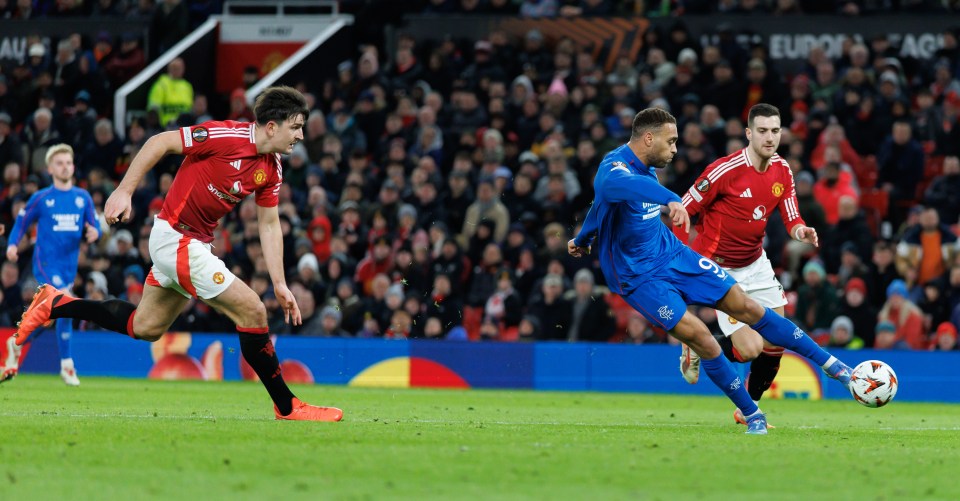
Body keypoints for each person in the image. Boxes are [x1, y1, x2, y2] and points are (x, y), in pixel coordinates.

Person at [13, 86, 342, 421]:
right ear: (272, 126)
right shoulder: (225, 135)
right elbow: (161, 142)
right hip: (175, 238)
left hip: (193, 243)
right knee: (253, 311)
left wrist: (280, 284)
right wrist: (124, 191)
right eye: (296, 126)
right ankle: (287, 406)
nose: (300, 135)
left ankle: (56, 303)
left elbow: (270, 224)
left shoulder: (271, 169)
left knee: (146, 326)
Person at [568, 108, 855, 435]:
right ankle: (752, 413)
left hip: (672, 254)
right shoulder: (614, 170)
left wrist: (581, 238)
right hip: (639, 278)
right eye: (671, 141)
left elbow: (599, 207)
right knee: (701, 336)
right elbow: (621, 189)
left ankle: (836, 368)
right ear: (649, 138)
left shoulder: (646, 166)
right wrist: (671, 198)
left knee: (746, 306)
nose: (675, 149)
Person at [673, 103, 820, 426]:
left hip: (756, 263)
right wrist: (679, 257)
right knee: (751, 348)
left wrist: (801, 230)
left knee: (777, 340)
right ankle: (696, 344)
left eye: (776, 131)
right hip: (719, 269)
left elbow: (792, 215)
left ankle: (748, 407)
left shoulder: (783, 169)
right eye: (763, 131)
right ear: (749, 133)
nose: (770, 138)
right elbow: (683, 208)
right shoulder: (724, 171)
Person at [2, 144, 99, 386]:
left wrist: (93, 232)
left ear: (73, 166)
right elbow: (21, 222)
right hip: (45, 264)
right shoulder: (42, 198)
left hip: (68, 268)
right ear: (50, 168)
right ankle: (67, 365)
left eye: (68, 162)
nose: (65, 166)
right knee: (66, 301)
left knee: (57, 312)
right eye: (60, 163)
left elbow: (94, 225)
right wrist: (12, 245)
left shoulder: (82, 197)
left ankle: (16, 342)